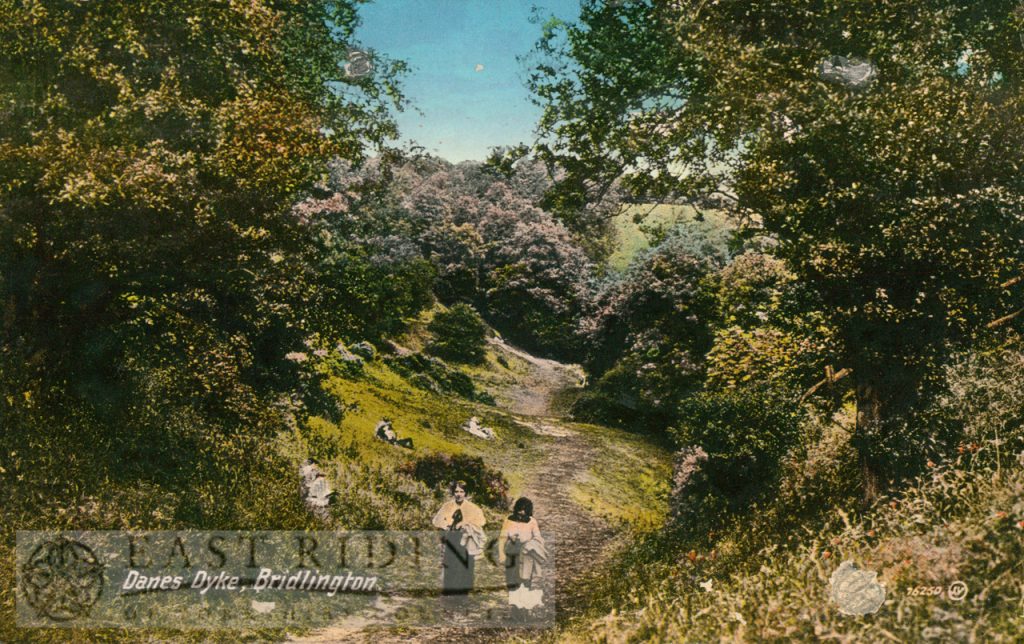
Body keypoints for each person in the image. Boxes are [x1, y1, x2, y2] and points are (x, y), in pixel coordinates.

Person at [431, 480, 486, 604]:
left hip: (466, 540)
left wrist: (467, 524)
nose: (459, 494)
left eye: (462, 491)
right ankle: (449, 594)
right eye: (456, 491)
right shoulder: (447, 506)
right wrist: (447, 524)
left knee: (465, 565)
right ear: (453, 493)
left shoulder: (472, 508)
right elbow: (437, 521)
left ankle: (462, 595)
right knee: (451, 564)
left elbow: (481, 521)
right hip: (452, 538)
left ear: (466, 493)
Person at [497, 497, 546, 621]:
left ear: (528, 511)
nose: (521, 513)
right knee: (512, 582)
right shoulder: (509, 520)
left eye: (524, 510)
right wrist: (501, 553)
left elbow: (538, 538)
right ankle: (514, 612)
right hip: (511, 554)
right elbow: (502, 538)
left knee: (525, 582)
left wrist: (529, 544)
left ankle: (525, 611)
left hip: (526, 555)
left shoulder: (532, 521)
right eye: (519, 509)